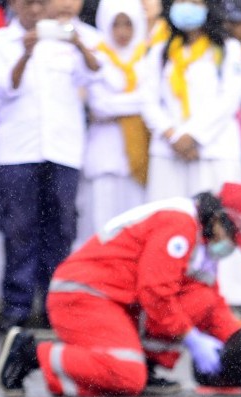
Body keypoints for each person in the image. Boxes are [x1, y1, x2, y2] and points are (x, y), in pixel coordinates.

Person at [0, 183, 241, 397]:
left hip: (111, 299)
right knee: (126, 376)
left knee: (198, 299)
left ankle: (142, 361)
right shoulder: (180, 225)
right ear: (219, 220)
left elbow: (209, 302)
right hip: (82, 296)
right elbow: (155, 293)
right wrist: (191, 337)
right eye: (234, 239)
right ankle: (31, 353)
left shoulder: (200, 237)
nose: (233, 247)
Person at [0, 0, 100, 332]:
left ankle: (58, 305)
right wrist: (26, 54)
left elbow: (98, 74)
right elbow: (4, 88)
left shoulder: (71, 38)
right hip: (17, 150)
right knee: (18, 228)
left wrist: (78, 45)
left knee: (62, 229)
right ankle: (17, 306)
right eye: (28, 4)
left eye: (42, 4)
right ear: (14, 5)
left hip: (63, 149)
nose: (36, 11)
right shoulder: (1, 42)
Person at [140, 0, 241, 307]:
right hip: (169, 152)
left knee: (221, 224)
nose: (187, 7)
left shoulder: (228, 50)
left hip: (214, 149)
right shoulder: (160, 51)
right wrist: (174, 135)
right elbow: (147, 100)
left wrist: (195, 136)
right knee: (170, 222)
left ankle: (228, 299)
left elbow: (230, 98)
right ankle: (168, 294)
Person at [77, 0, 150, 246]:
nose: (122, 32)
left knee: (135, 228)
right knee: (101, 228)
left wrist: (120, 104)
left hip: (138, 159)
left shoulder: (147, 56)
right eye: (116, 24)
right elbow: (99, 105)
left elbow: (149, 100)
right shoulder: (96, 56)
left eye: (128, 24)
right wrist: (138, 103)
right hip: (103, 155)